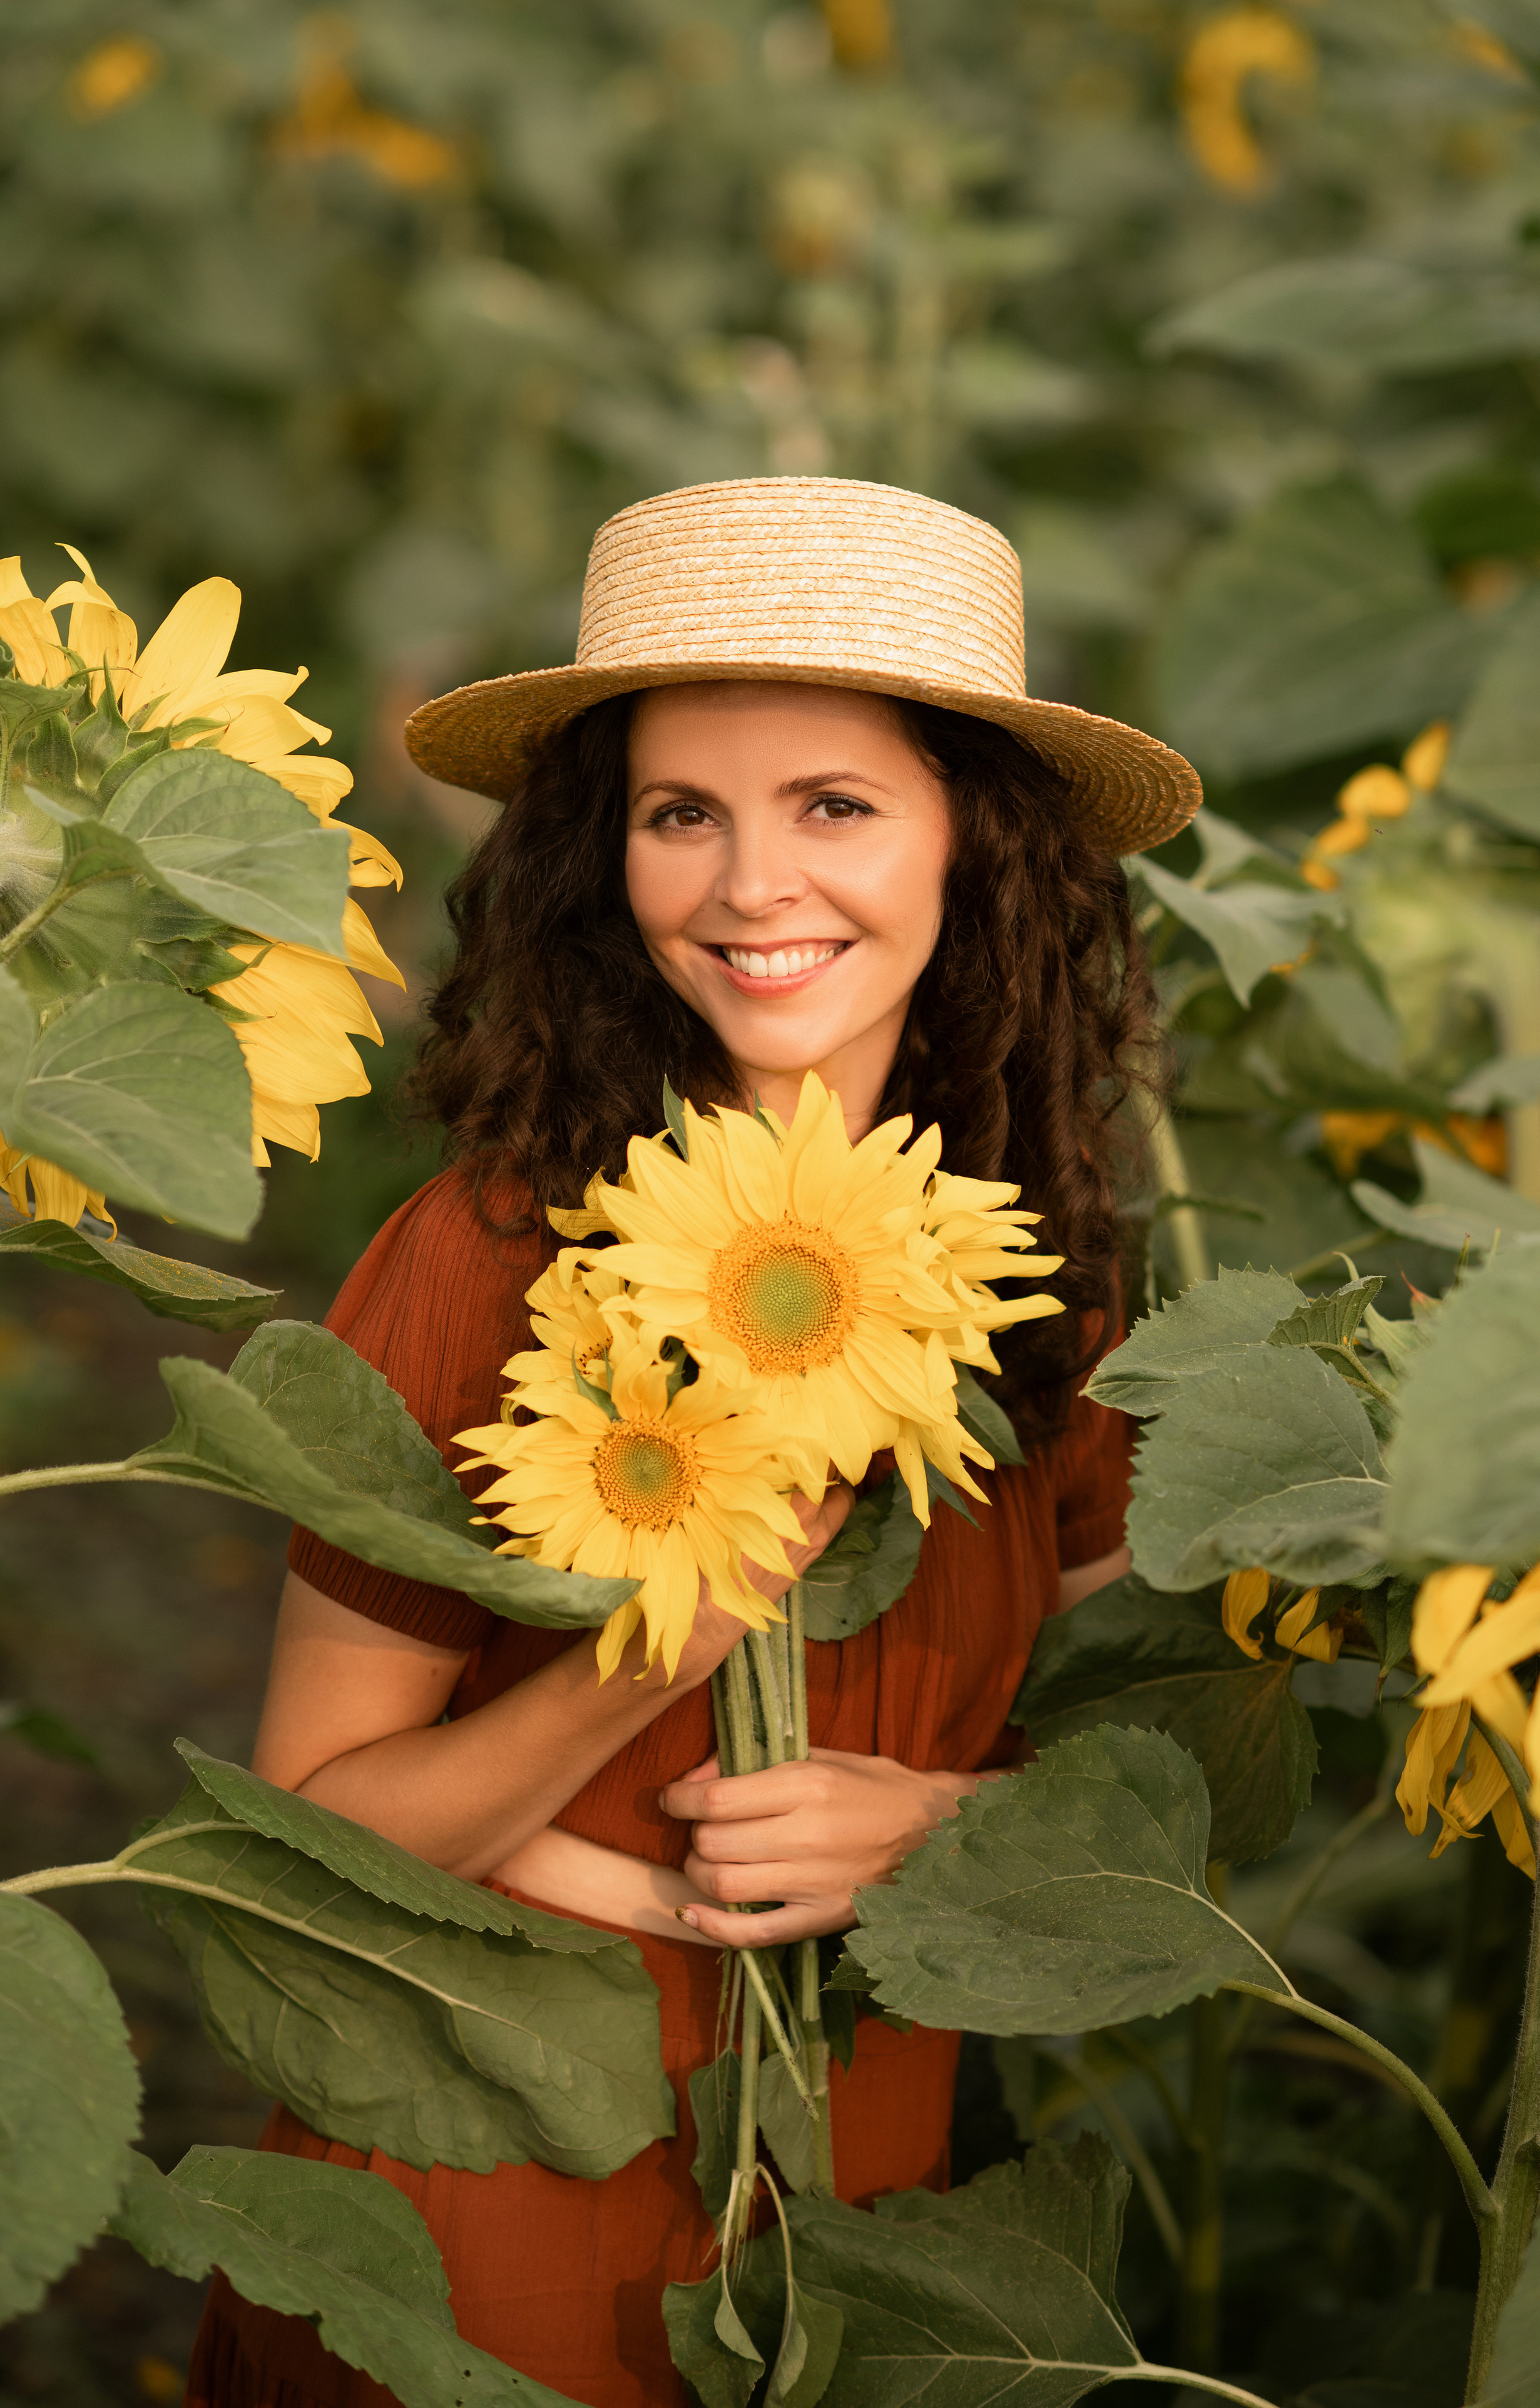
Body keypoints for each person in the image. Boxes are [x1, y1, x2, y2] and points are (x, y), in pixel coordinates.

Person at [185, 474, 1199, 2408]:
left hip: (870, 2216)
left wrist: (944, 1831)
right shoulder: (491, 1253)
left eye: (834, 806)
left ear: (972, 843)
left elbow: (1151, 1762)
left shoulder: (1047, 1281)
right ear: (609, 854)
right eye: (683, 815)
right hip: (490, 2174)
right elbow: (306, 1830)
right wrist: (642, 1663)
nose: (749, 888)